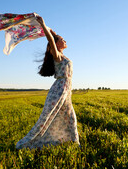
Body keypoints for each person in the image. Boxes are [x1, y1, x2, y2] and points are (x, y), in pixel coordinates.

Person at [16, 15, 80, 149]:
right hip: (59, 89)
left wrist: (51, 30)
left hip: (66, 90)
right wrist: (43, 25)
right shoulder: (57, 56)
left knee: (70, 116)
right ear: (56, 45)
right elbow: (51, 40)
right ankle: (28, 143)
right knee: (47, 117)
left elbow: (53, 36)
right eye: (61, 39)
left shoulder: (63, 55)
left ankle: (73, 142)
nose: (64, 39)